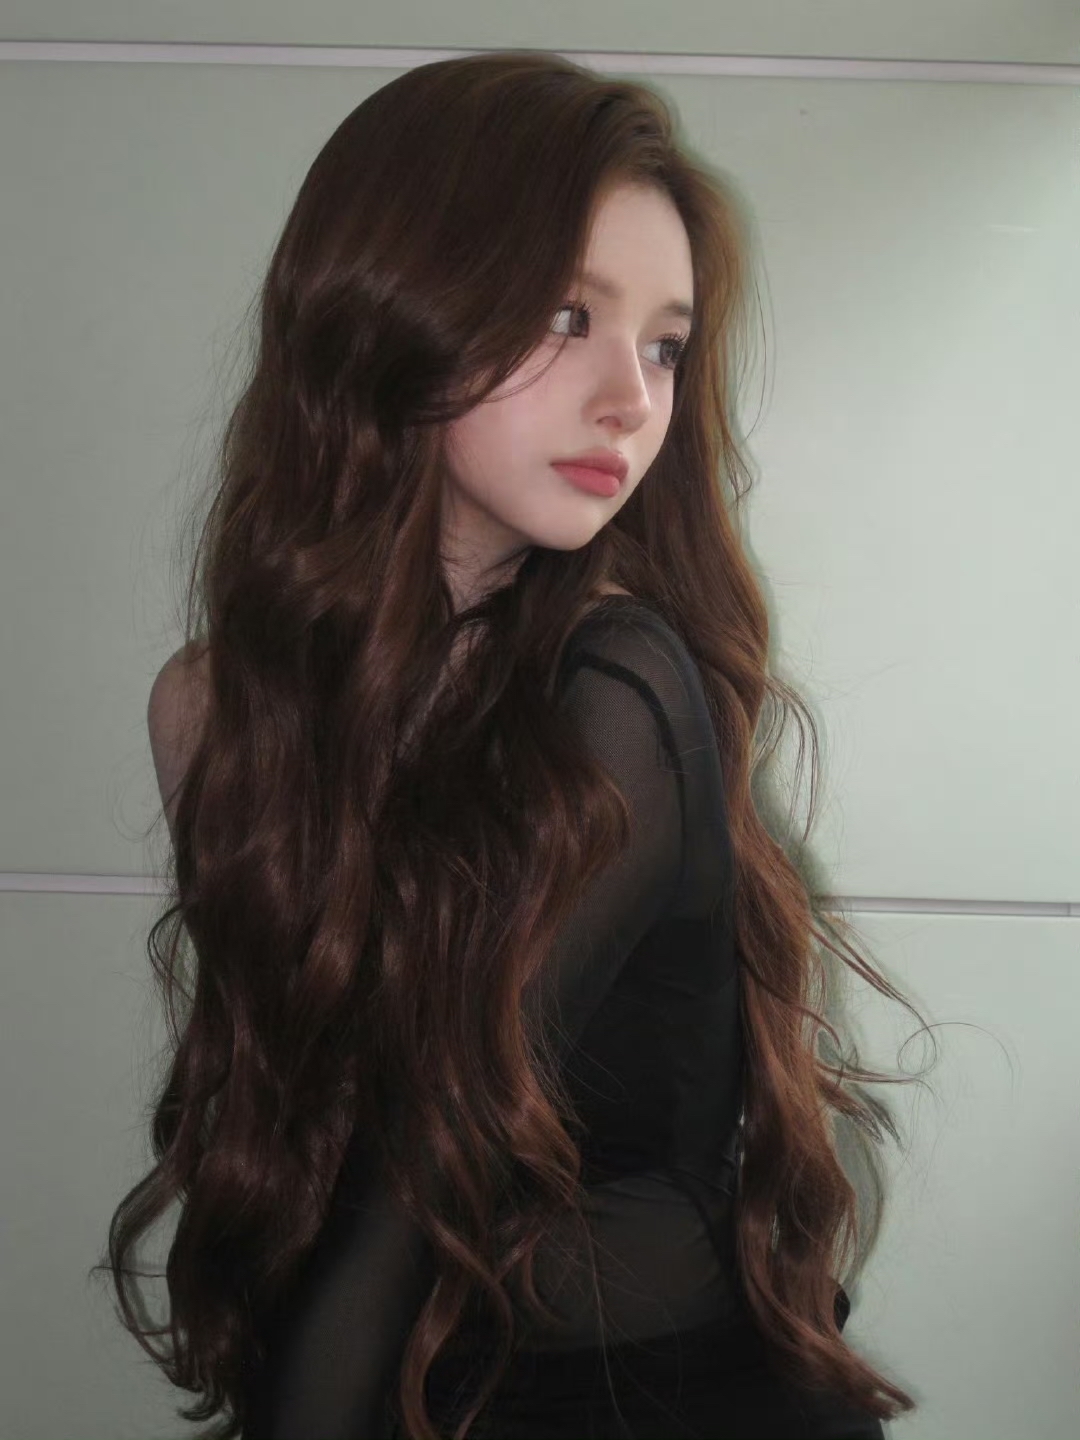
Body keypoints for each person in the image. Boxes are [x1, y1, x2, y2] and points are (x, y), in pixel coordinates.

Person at [99, 49, 932, 1440]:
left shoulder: (621, 689)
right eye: (566, 316)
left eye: (665, 344)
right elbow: (298, 1136)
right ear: (387, 307)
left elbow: (419, 1161)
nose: (633, 399)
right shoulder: (216, 711)